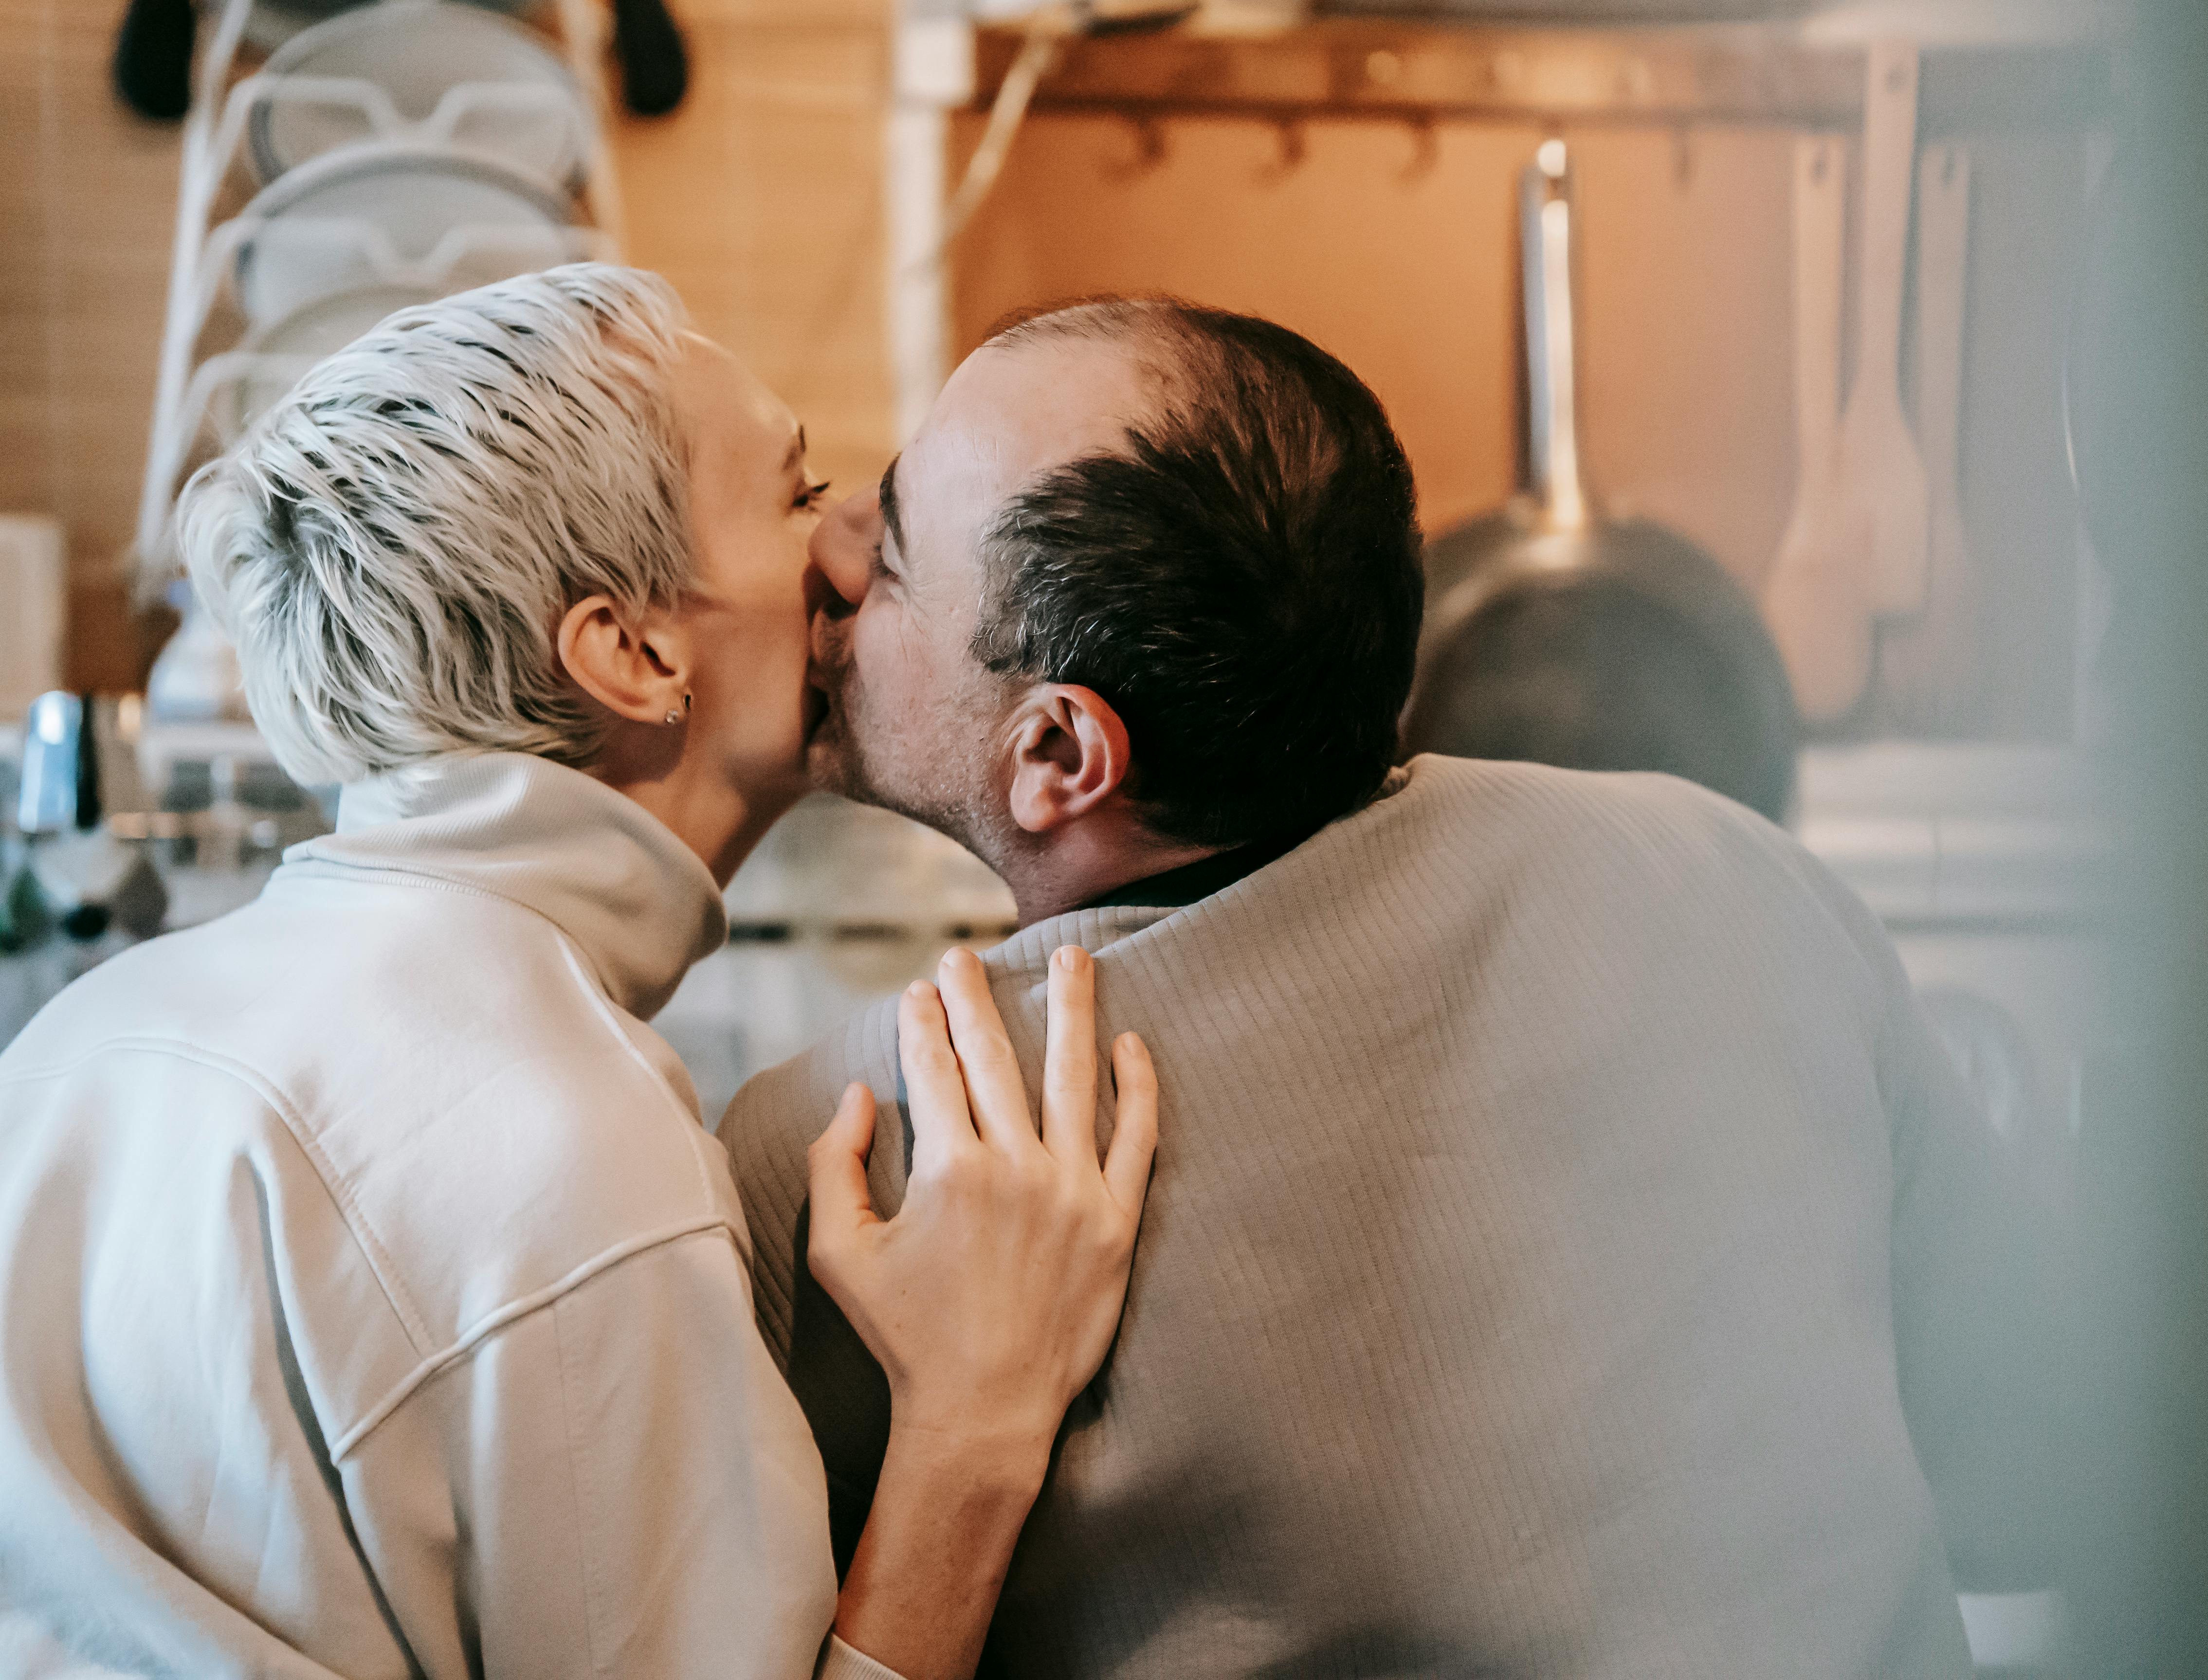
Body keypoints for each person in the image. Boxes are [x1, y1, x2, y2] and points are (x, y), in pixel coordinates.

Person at [718, 297, 2058, 1676]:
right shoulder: (1727, 869)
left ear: (1058, 753)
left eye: (885, 555)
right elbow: (2043, 1486)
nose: (826, 554)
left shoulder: (846, 1157)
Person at [0, 265, 1159, 1680]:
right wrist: (977, 1425)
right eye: (799, 497)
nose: (860, 542)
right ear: (628, 650)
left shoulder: (92, 1033)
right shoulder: (567, 1154)